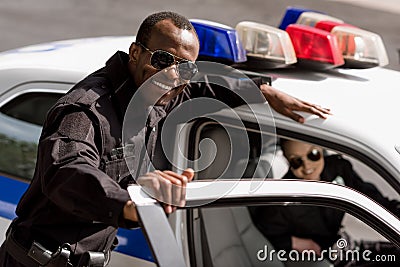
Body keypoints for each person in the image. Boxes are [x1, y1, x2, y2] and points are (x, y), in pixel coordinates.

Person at [0, 11, 331, 267]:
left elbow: (207, 84)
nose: (171, 73)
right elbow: (67, 172)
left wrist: (264, 91)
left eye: (184, 67)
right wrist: (133, 204)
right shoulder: (87, 109)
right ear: (135, 52)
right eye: (162, 59)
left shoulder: (165, 89)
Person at [251, 139, 400, 256]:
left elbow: (374, 200)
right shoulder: (284, 199)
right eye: (296, 161)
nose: (307, 166)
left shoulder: (338, 167)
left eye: (313, 154)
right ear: (288, 161)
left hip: (344, 243)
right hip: (324, 255)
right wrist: (294, 243)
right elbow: (263, 231)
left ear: (321, 149)